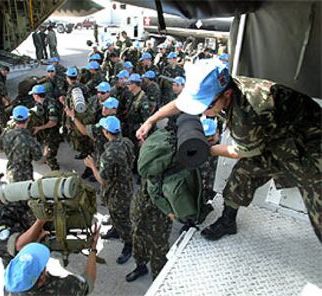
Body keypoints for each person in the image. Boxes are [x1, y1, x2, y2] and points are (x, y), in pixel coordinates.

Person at [136, 59, 322, 242]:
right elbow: (180, 103)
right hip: (277, 136)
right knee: (242, 174)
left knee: (318, 208)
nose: (202, 113)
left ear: (227, 94)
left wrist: (208, 150)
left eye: (207, 106)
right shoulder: (219, 88)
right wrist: (151, 120)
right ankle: (228, 221)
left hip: (311, 145)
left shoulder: (247, 113)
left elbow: (241, 151)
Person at [84, 116, 135, 264]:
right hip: (126, 184)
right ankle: (116, 229)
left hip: (117, 193)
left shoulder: (109, 155)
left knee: (122, 218)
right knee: (117, 216)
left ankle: (128, 243)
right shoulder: (127, 142)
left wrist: (92, 165)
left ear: (106, 132)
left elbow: (102, 180)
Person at [4, 225, 99, 295]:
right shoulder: (63, 288)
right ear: (42, 279)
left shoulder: (11, 288)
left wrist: (37, 243)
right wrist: (93, 249)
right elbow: (88, 282)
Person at [126, 179, 172, 282]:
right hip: (141, 210)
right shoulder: (149, 165)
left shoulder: (171, 168)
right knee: (138, 244)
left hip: (158, 219)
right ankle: (140, 268)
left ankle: (159, 281)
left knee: (158, 253)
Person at [0, 106, 42, 182]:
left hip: (11, 172)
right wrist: (46, 153)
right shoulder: (29, 139)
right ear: (28, 119)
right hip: (25, 176)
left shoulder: (6, 133)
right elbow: (38, 160)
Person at [29, 85, 61, 170]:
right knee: (47, 147)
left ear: (36, 95)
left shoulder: (51, 105)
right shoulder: (38, 103)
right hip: (45, 132)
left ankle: (55, 171)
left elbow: (53, 122)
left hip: (53, 132)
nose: (33, 97)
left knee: (50, 153)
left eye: (33, 95)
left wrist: (39, 128)